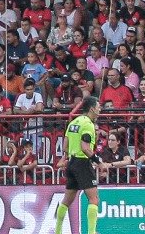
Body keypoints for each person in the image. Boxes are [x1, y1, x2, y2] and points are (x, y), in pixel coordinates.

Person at [56, 96, 101, 234]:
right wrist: (98, 161)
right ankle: (92, 232)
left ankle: (58, 231)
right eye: (98, 107)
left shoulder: (74, 122)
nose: (100, 109)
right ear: (92, 108)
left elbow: (65, 146)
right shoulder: (88, 124)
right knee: (94, 199)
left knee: (66, 201)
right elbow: (85, 147)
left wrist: (66, 158)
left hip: (71, 163)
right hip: (82, 163)